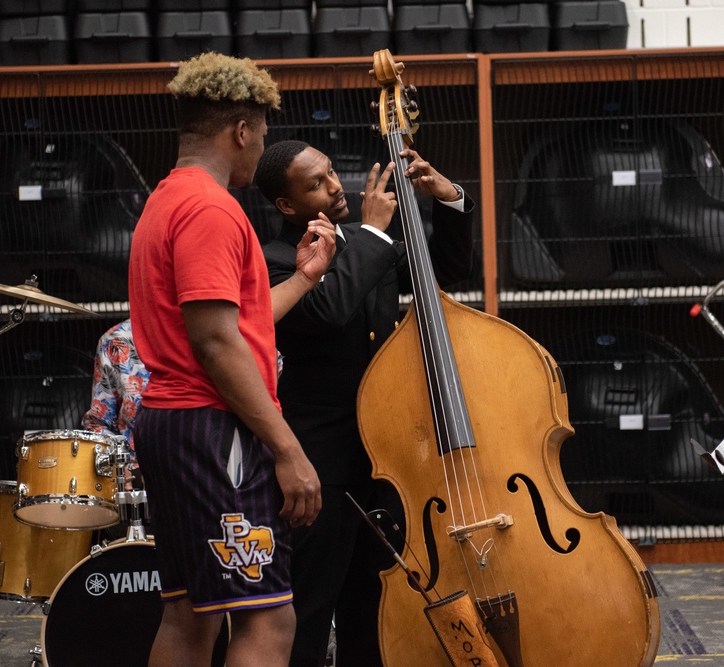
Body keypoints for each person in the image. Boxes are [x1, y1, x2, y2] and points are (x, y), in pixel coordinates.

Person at [128, 53, 335, 667]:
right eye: (262, 135)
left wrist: (302, 278)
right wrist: (289, 450)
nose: (260, 147)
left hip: (172, 424)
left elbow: (236, 324)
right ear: (241, 130)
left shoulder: (165, 200)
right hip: (214, 431)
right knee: (269, 621)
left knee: (191, 615)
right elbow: (217, 343)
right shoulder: (212, 210)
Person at [254, 140, 475, 667]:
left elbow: (445, 268)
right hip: (321, 466)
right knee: (308, 612)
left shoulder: (361, 244)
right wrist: (375, 233)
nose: (334, 187)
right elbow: (329, 309)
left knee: (374, 612)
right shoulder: (275, 260)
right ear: (286, 206)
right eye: (315, 184)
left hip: (386, 463)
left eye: (332, 173)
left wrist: (449, 199)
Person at [81, 318, 148, 487]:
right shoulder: (116, 340)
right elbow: (98, 424)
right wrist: (120, 467)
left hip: (203, 461)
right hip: (139, 470)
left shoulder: (214, 331)